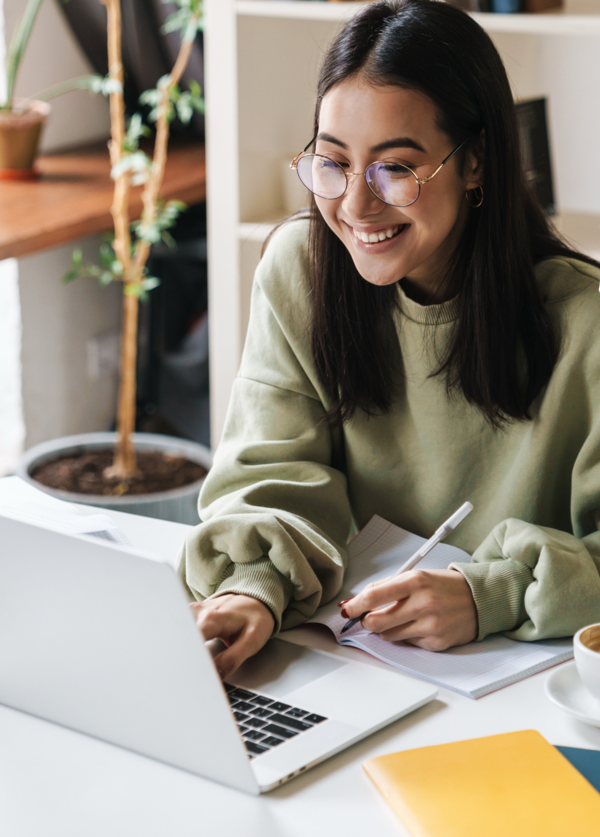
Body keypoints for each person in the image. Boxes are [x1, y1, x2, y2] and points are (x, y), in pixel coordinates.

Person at [179, 0, 600, 680]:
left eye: (394, 168)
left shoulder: (587, 321)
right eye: (332, 163)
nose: (354, 205)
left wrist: (484, 593)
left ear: (475, 162)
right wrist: (248, 586)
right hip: (342, 663)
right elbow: (269, 477)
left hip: (524, 693)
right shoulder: (300, 269)